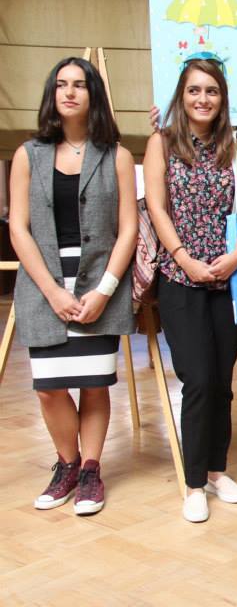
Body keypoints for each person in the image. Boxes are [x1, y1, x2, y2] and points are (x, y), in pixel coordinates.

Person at [10, 57, 136, 515]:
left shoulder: (118, 156)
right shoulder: (28, 155)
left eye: (79, 85)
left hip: (100, 284)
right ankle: (66, 464)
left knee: (94, 384)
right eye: (61, 84)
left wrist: (104, 290)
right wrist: (52, 291)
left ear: (92, 94)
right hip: (44, 284)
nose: (69, 92)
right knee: (49, 387)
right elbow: (19, 228)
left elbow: (128, 230)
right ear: (52, 94)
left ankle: (91, 471)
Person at [144, 58, 237, 522]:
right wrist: (183, 258)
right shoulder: (161, 142)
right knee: (197, 379)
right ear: (181, 96)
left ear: (222, 98)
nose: (203, 99)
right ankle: (193, 484)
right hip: (180, 278)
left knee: (222, 381)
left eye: (211, 91)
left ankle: (216, 470)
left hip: (229, 278)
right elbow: (157, 207)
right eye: (194, 90)